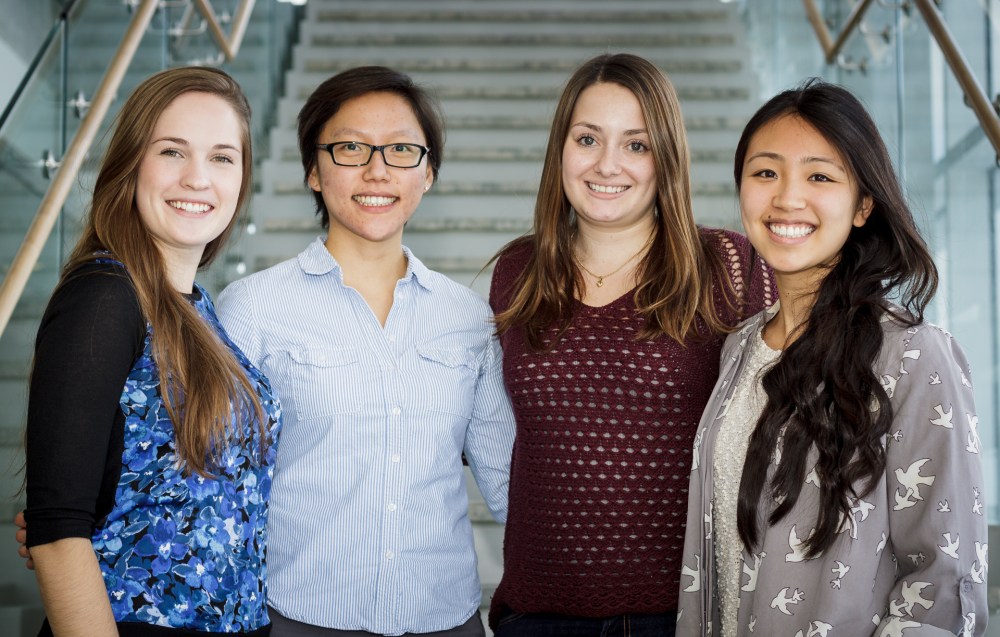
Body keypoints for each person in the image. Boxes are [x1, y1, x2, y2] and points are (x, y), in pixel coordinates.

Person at [676, 81, 988, 636]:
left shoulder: (913, 354)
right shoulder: (739, 346)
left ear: (863, 203)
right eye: (765, 172)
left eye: (819, 176)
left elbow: (943, 581)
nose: (787, 198)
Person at [214, 66, 515, 637]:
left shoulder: (467, 318)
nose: (378, 169)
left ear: (428, 173)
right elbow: (209, 477)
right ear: (313, 170)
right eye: (351, 148)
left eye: (402, 150)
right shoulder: (252, 309)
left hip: (444, 620)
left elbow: (510, 484)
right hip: (298, 617)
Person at [487, 53, 774, 636]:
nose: (607, 164)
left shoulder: (728, 264)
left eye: (636, 145)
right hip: (536, 613)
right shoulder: (519, 269)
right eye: (587, 138)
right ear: (560, 149)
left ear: (666, 156)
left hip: (682, 614)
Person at [22, 66, 281, 636]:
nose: (197, 178)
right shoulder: (105, 296)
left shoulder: (199, 309)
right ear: (131, 164)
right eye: (172, 151)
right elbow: (56, 531)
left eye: (221, 157)